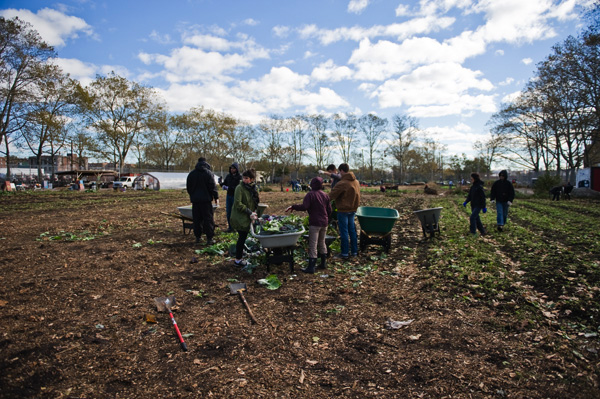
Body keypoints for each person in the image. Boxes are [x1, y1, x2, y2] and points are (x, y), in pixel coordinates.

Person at [285, 177, 332, 273]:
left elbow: (304, 207)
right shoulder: (325, 195)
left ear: (311, 184)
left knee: (313, 244)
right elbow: (329, 210)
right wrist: (326, 218)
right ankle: (323, 263)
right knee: (322, 242)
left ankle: (311, 267)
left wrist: (293, 207)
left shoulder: (310, 195)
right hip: (324, 222)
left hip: (315, 222)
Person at [328, 163, 360, 259]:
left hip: (343, 210)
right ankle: (354, 251)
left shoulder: (342, 183)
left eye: (339, 172)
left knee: (344, 232)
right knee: (352, 231)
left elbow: (331, 195)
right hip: (353, 209)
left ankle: (344, 253)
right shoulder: (356, 182)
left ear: (341, 171)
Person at [230, 169, 260, 267]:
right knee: (242, 237)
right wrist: (249, 212)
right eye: (244, 178)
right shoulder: (239, 188)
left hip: (247, 216)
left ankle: (240, 255)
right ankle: (238, 260)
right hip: (239, 216)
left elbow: (254, 201)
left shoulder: (252, 188)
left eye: (246, 178)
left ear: (252, 179)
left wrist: (254, 211)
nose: (244, 180)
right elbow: (238, 204)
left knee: (243, 237)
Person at [186, 157, 219, 245]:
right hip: (206, 200)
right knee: (208, 219)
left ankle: (198, 237)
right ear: (206, 163)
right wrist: (216, 197)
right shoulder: (208, 173)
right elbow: (212, 186)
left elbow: (189, 187)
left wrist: (193, 195)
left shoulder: (191, 174)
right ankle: (209, 238)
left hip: (195, 201)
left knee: (197, 219)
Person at [463, 172, 487, 236]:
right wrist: (466, 201)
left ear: (475, 179)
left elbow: (483, 198)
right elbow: (470, 196)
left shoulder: (479, 187)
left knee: (472, 217)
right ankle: (482, 231)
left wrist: (484, 207)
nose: (471, 180)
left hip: (478, 205)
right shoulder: (473, 187)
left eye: (472, 179)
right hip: (473, 205)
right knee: (477, 218)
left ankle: (473, 232)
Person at [221, 162, 242, 232]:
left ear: (236, 169)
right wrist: (221, 183)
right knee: (228, 212)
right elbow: (225, 184)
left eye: (233, 168)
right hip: (229, 196)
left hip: (235, 196)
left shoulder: (239, 177)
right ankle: (230, 227)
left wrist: (229, 188)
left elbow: (238, 187)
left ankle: (236, 227)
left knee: (235, 212)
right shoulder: (228, 176)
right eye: (231, 168)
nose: (232, 170)